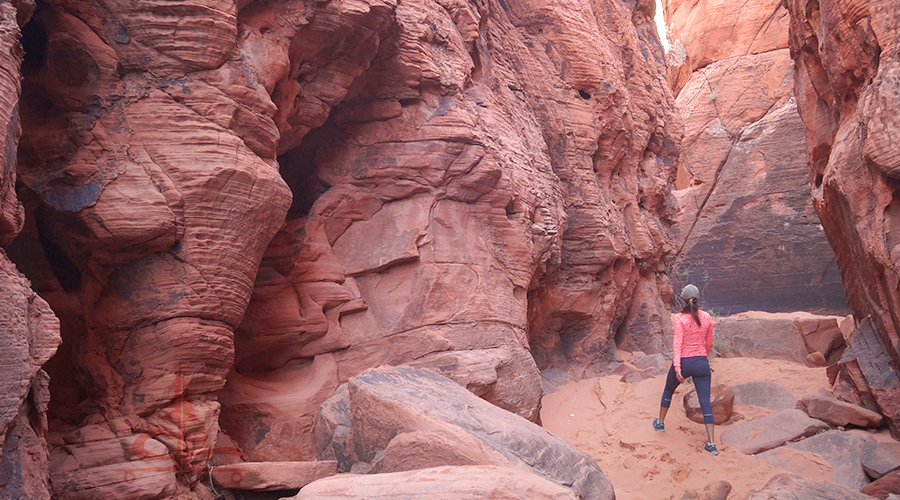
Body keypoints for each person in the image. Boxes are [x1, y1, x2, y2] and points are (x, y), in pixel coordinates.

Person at [652, 284, 718, 456]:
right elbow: (708, 342)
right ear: (698, 299)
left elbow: (677, 344)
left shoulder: (679, 318)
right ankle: (711, 444)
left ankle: (660, 423)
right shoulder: (706, 317)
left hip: (684, 361)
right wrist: (704, 357)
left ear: (682, 299)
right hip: (701, 363)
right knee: (705, 403)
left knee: (668, 390)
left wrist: (678, 368)